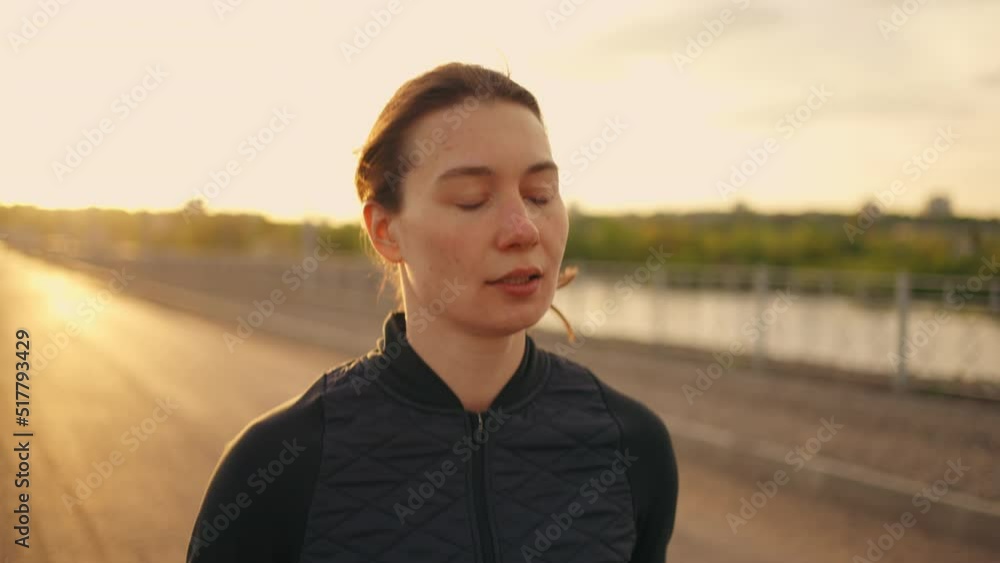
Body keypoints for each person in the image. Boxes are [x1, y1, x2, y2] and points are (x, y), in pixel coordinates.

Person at [186, 62, 678, 563]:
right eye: (472, 199)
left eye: (539, 195)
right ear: (385, 230)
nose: (523, 228)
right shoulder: (280, 463)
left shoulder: (632, 444)